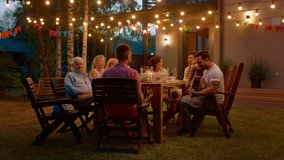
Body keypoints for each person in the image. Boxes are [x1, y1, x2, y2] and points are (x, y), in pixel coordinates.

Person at [176, 51, 224, 137]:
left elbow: (213, 89)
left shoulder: (215, 72)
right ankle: (188, 126)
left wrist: (198, 93)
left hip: (214, 101)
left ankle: (186, 129)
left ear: (207, 60)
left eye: (199, 62)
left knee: (183, 102)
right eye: (196, 62)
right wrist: (193, 89)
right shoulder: (207, 70)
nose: (198, 65)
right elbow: (203, 85)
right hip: (208, 98)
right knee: (181, 99)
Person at [102, 44, 144, 118]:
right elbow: (140, 99)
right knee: (143, 108)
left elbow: (102, 94)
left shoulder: (106, 72)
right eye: (130, 55)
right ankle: (142, 129)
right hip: (129, 111)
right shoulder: (133, 73)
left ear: (117, 56)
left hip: (110, 111)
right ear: (127, 56)